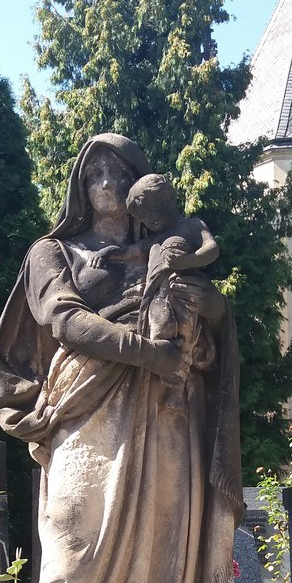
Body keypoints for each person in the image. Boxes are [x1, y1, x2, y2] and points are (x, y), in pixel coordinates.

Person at [0, 133, 243, 583]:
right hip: (86, 411)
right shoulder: (53, 252)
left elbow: (206, 324)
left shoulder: (168, 253)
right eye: (91, 168)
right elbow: (65, 320)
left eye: (116, 167)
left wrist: (202, 320)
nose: (103, 176)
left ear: (135, 182)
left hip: (164, 419)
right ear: (78, 183)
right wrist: (144, 351)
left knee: (159, 566)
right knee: (70, 557)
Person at [88, 173, 220, 408]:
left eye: (147, 217)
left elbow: (211, 249)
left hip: (183, 293)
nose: (147, 224)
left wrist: (188, 261)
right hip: (158, 296)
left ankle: (177, 387)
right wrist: (111, 253)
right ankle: (159, 379)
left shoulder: (192, 226)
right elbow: (134, 251)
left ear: (161, 206)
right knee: (160, 329)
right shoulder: (157, 239)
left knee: (186, 336)